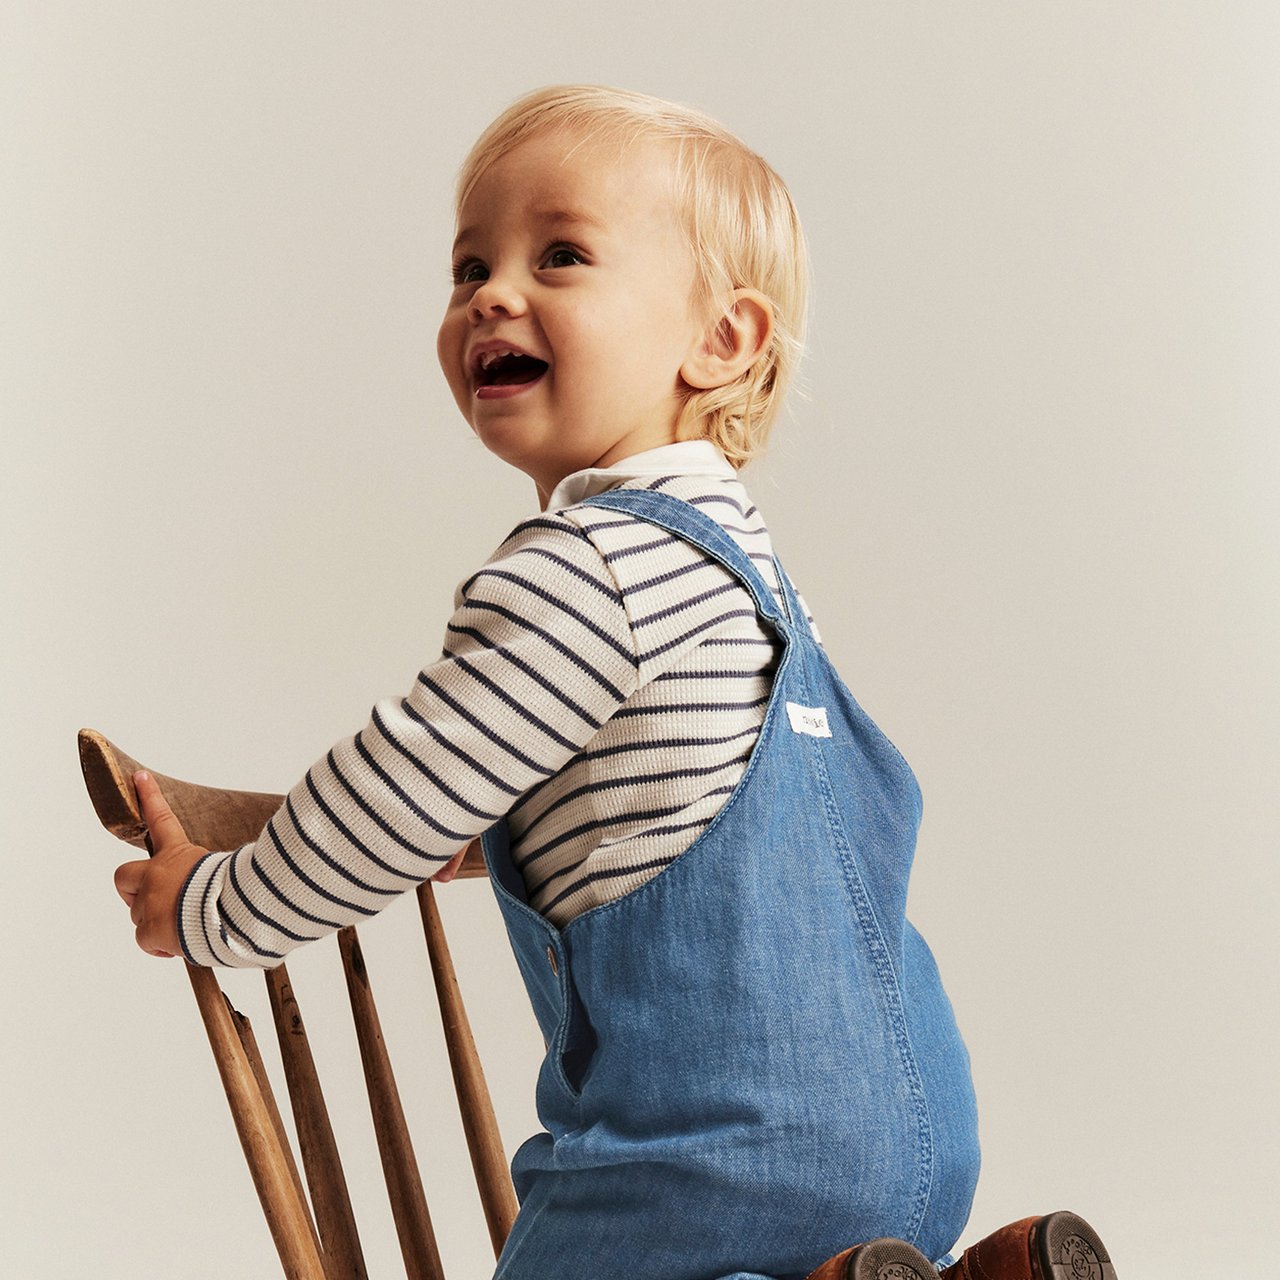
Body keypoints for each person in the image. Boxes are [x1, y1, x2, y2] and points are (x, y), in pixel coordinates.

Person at [114, 85, 1115, 1280]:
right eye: (469, 265)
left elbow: (395, 788)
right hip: (917, 1135)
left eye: (560, 255)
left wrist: (215, 901)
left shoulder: (586, 567)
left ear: (721, 340)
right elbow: (660, 786)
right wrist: (508, 824)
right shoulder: (753, 581)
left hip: (705, 1155)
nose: (491, 293)